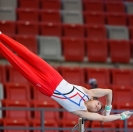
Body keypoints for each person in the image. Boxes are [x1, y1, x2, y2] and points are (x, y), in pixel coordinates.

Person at [0, 32, 132, 122]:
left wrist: (120, 116)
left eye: (97, 109)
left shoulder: (80, 112)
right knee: (28, 55)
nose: (97, 107)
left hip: (48, 88)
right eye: (98, 103)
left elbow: (103, 119)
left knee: (19, 64)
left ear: (92, 111)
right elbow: (109, 92)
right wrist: (108, 108)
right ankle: (2, 35)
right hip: (55, 77)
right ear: (94, 99)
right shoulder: (88, 93)